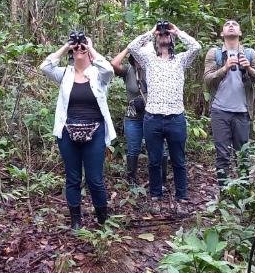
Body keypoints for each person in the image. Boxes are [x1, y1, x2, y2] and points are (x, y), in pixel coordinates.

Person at [39, 33, 116, 230]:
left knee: (94, 179)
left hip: (96, 131)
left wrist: (90, 46)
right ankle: (75, 221)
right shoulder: (65, 73)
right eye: (77, 47)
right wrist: (66, 46)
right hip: (67, 132)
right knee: (72, 178)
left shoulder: (99, 75)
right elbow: (45, 67)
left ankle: (102, 221)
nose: (79, 49)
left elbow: (108, 68)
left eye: (83, 47)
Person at [127, 21, 201, 215]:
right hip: (153, 117)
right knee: (154, 160)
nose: (163, 35)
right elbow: (133, 47)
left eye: (166, 34)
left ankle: (182, 197)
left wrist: (177, 31)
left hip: (176, 117)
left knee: (178, 160)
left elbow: (196, 47)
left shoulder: (181, 60)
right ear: (156, 40)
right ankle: (155, 196)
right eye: (161, 35)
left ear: (172, 39)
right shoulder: (148, 60)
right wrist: (151, 32)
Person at [203, 19, 255, 187]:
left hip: (242, 111)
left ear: (240, 33)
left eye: (234, 24)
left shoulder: (250, 53)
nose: (231, 25)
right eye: (227, 24)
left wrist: (249, 69)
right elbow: (207, 80)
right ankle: (224, 193)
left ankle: (244, 193)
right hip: (219, 111)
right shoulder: (214, 53)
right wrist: (224, 68)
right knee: (222, 155)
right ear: (222, 34)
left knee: (243, 154)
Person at [109, 49, 168, 186]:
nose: (139, 60)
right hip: (133, 117)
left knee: (159, 149)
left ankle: (161, 180)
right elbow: (114, 63)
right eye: (136, 57)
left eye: (142, 57)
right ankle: (132, 181)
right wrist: (129, 48)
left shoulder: (155, 70)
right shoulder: (128, 71)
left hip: (154, 115)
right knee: (133, 149)